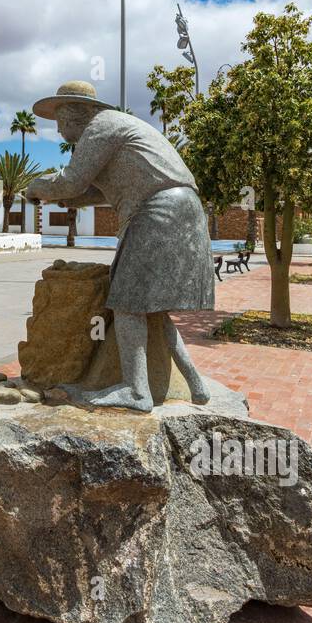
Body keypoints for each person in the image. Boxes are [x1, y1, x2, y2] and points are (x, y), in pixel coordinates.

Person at [26, 80, 214, 410]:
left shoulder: (101, 126)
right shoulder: (118, 129)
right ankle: (196, 384)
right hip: (180, 209)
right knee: (151, 309)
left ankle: (137, 392)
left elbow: (72, 180)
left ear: (74, 115)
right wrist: (69, 200)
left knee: (126, 302)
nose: (58, 131)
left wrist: (36, 187)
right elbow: (97, 191)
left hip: (159, 212)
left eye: (59, 122)